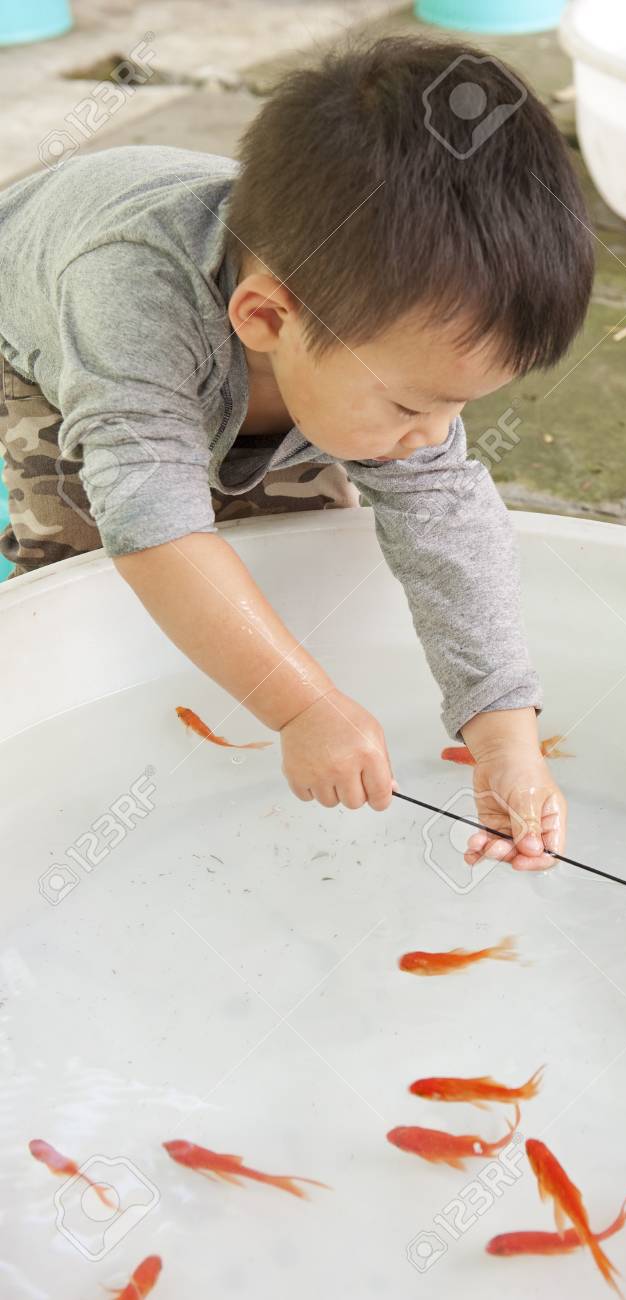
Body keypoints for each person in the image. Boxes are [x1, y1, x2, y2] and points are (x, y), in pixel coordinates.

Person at [0, 36, 593, 871]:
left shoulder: (374, 339)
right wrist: (301, 706)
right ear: (267, 320)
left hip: (265, 349)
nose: (436, 437)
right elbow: (153, 525)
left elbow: (448, 531)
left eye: (460, 405)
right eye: (414, 405)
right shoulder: (123, 296)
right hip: (48, 337)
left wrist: (505, 738)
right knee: (97, 552)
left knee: (295, 551)